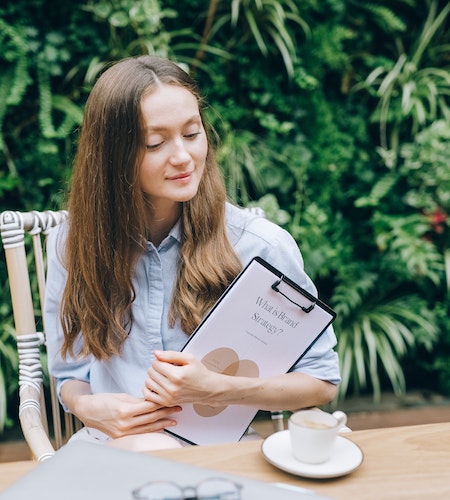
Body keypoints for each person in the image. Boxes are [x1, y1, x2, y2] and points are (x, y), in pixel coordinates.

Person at [44, 55, 340, 451]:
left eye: (192, 133)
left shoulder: (259, 246)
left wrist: (219, 389)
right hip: (112, 445)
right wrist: (88, 407)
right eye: (155, 142)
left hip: (221, 452)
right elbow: (70, 372)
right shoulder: (72, 243)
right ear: (112, 155)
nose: (183, 156)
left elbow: (320, 382)